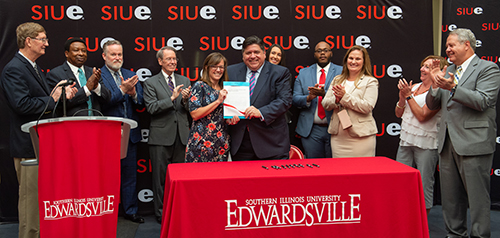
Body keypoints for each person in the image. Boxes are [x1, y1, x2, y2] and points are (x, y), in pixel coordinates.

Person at [0, 22, 77, 238]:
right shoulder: (14, 69)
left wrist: (58, 93)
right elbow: (22, 105)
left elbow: (41, 101)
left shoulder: (32, 66)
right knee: (30, 206)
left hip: (42, 145)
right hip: (28, 148)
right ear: (28, 41)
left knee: (43, 203)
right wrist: (52, 98)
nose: (46, 44)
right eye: (42, 39)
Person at [426, 28, 500, 238]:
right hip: (448, 143)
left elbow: (483, 101)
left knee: (477, 200)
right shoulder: (447, 69)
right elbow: (433, 105)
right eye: (447, 46)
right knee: (450, 200)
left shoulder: (488, 68)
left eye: (451, 45)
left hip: (473, 143)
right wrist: (434, 83)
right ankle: (454, 234)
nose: (447, 49)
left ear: (466, 45)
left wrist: (453, 88)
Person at [395, 55, 448, 216]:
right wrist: (402, 98)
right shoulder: (414, 86)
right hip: (406, 140)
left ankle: (421, 224)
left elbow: (423, 116)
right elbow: (398, 113)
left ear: (436, 71)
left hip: (426, 143)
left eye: (427, 67)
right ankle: (401, 217)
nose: (422, 69)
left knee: (424, 183)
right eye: (422, 66)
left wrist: (408, 96)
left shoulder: (438, 93)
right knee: (400, 181)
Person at [143, 46, 191, 223]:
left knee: (180, 179)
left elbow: (189, 110)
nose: (173, 62)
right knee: (160, 179)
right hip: (161, 137)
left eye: (175, 59)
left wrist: (185, 100)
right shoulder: (150, 83)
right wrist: (171, 98)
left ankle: (179, 210)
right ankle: (162, 214)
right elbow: (151, 108)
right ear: (160, 61)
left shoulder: (185, 80)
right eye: (169, 59)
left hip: (182, 136)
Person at [100, 40, 144, 223]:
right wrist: (122, 90)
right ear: (104, 56)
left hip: (129, 135)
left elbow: (141, 102)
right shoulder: (98, 76)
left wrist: (133, 93)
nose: (117, 58)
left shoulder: (130, 74)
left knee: (129, 175)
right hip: (107, 135)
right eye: (113, 54)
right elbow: (104, 102)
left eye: (120, 54)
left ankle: (130, 210)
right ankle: (106, 212)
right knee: (106, 177)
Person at [226, 35, 292, 161]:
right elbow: (226, 100)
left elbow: (285, 101)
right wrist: (228, 117)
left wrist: (260, 112)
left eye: (256, 52)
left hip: (271, 144)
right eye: (248, 53)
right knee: (243, 181)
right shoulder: (231, 71)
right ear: (243, 55)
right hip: (241, 144)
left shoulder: (279, 72)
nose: (252, 56)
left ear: (264, 53)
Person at [322, 45, 378, 157]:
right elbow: (325, 103)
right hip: (338, 138)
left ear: (364, 61)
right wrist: (336, 100)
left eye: (358, 59)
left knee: (361, 171)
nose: (353, 62)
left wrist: (344, 97)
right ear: (346, 60)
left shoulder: (370, 81)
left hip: (361, 137)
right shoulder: (337, 79)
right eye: (351, 58)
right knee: (340, 171)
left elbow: (367, 106)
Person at [292, 41, 342, 158]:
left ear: (331, 53)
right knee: (314, 167)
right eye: (319, 51)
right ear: (314, 54)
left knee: (335, 168)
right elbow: (295, 98)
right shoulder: (303, 73)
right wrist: (308, 98)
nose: (322, 53)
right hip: (311, 130)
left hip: (335, 128)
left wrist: (325, 94)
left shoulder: (341, 72)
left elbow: (346, 97)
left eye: (325, 50)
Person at [46, 37, 111, 116]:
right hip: (72, 125)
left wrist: (96, 86)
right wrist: (86, 89)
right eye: (76, 50)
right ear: (67, 53)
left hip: (95, 124)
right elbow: (58, 104)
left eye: (84, 51)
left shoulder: (92, 72)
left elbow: (107, 98)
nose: (81, 53)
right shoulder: (55, 74)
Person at [185, 52, 230, 162]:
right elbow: (195, 114)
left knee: (219, 178)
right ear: (206, 67)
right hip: (201, 143)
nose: (218, 70)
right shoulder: (199, 86)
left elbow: (225, 117)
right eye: (214, 66)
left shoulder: (226, 88)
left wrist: (232, 118)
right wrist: (218, 101)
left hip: (221, 143)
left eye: (221, 67)